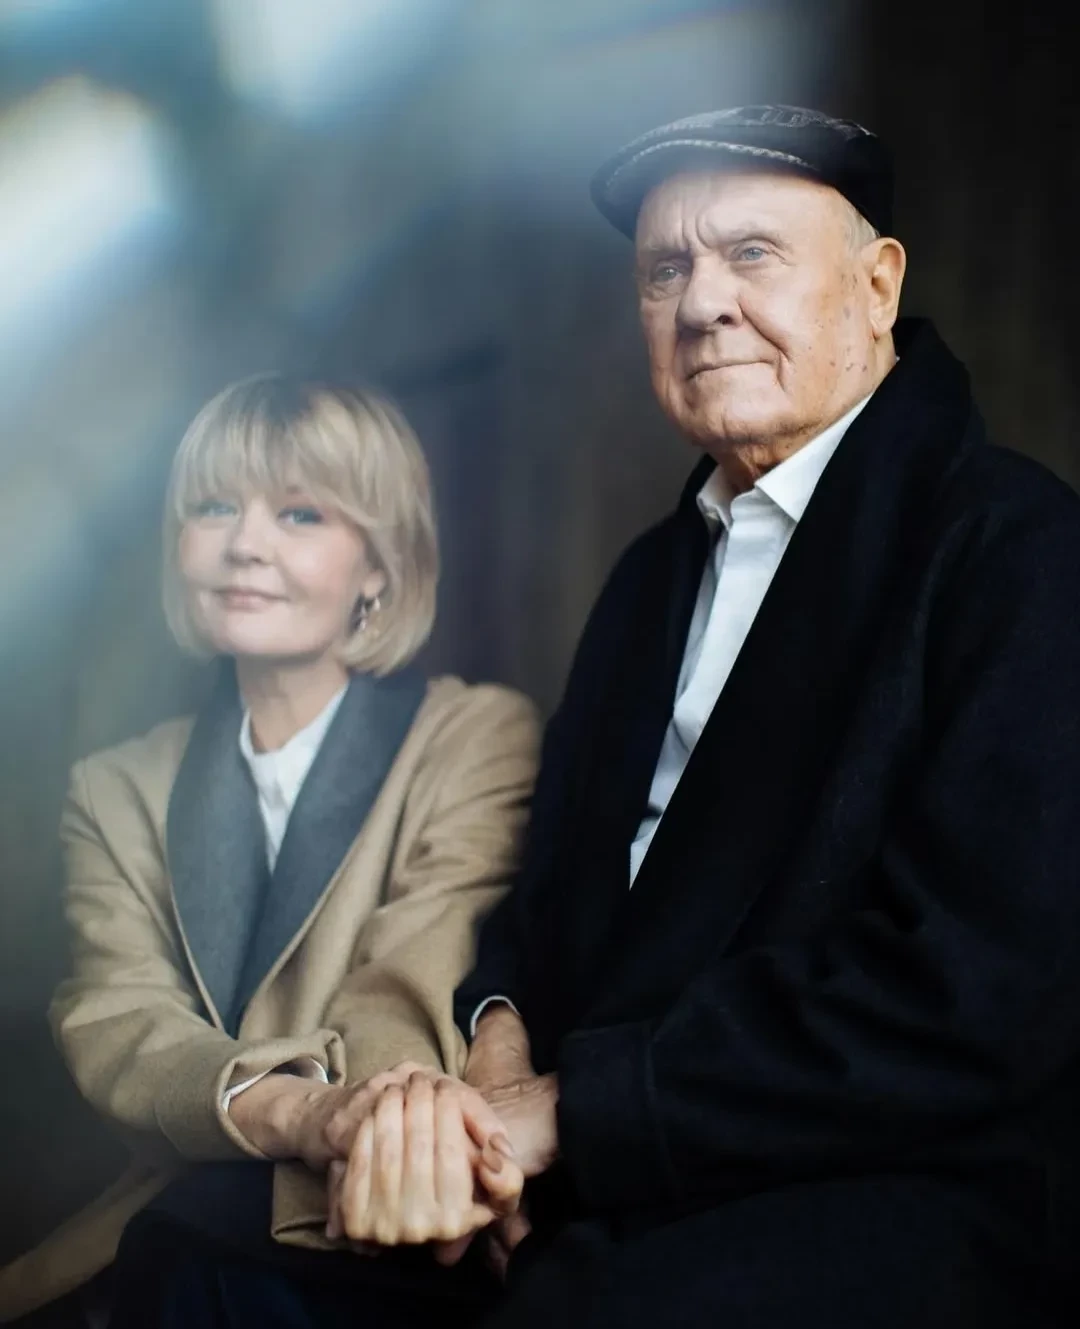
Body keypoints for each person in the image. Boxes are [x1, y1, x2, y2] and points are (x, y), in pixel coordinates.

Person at [76, 104, 1080, 1328]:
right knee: (197, 1248)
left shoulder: (1019, 554)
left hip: (869, 1170)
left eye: (752, 254)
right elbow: (541, 898)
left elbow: (974, 995)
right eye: (665, 270)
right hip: (578, 1138)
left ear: (877, 288)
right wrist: (497, 1064)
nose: (702, 304)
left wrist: (568, 1118)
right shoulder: (652, 579)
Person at [0, 375, 539, 1326]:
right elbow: (120, 1022)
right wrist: (301, 1111)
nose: (244, 543)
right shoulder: (115, 786)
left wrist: (365, 1124)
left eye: (300, 513)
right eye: (213, 507)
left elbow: (414, 978)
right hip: (185, 1213)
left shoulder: (472, 735)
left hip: (390, 1208)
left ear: (378, 568)